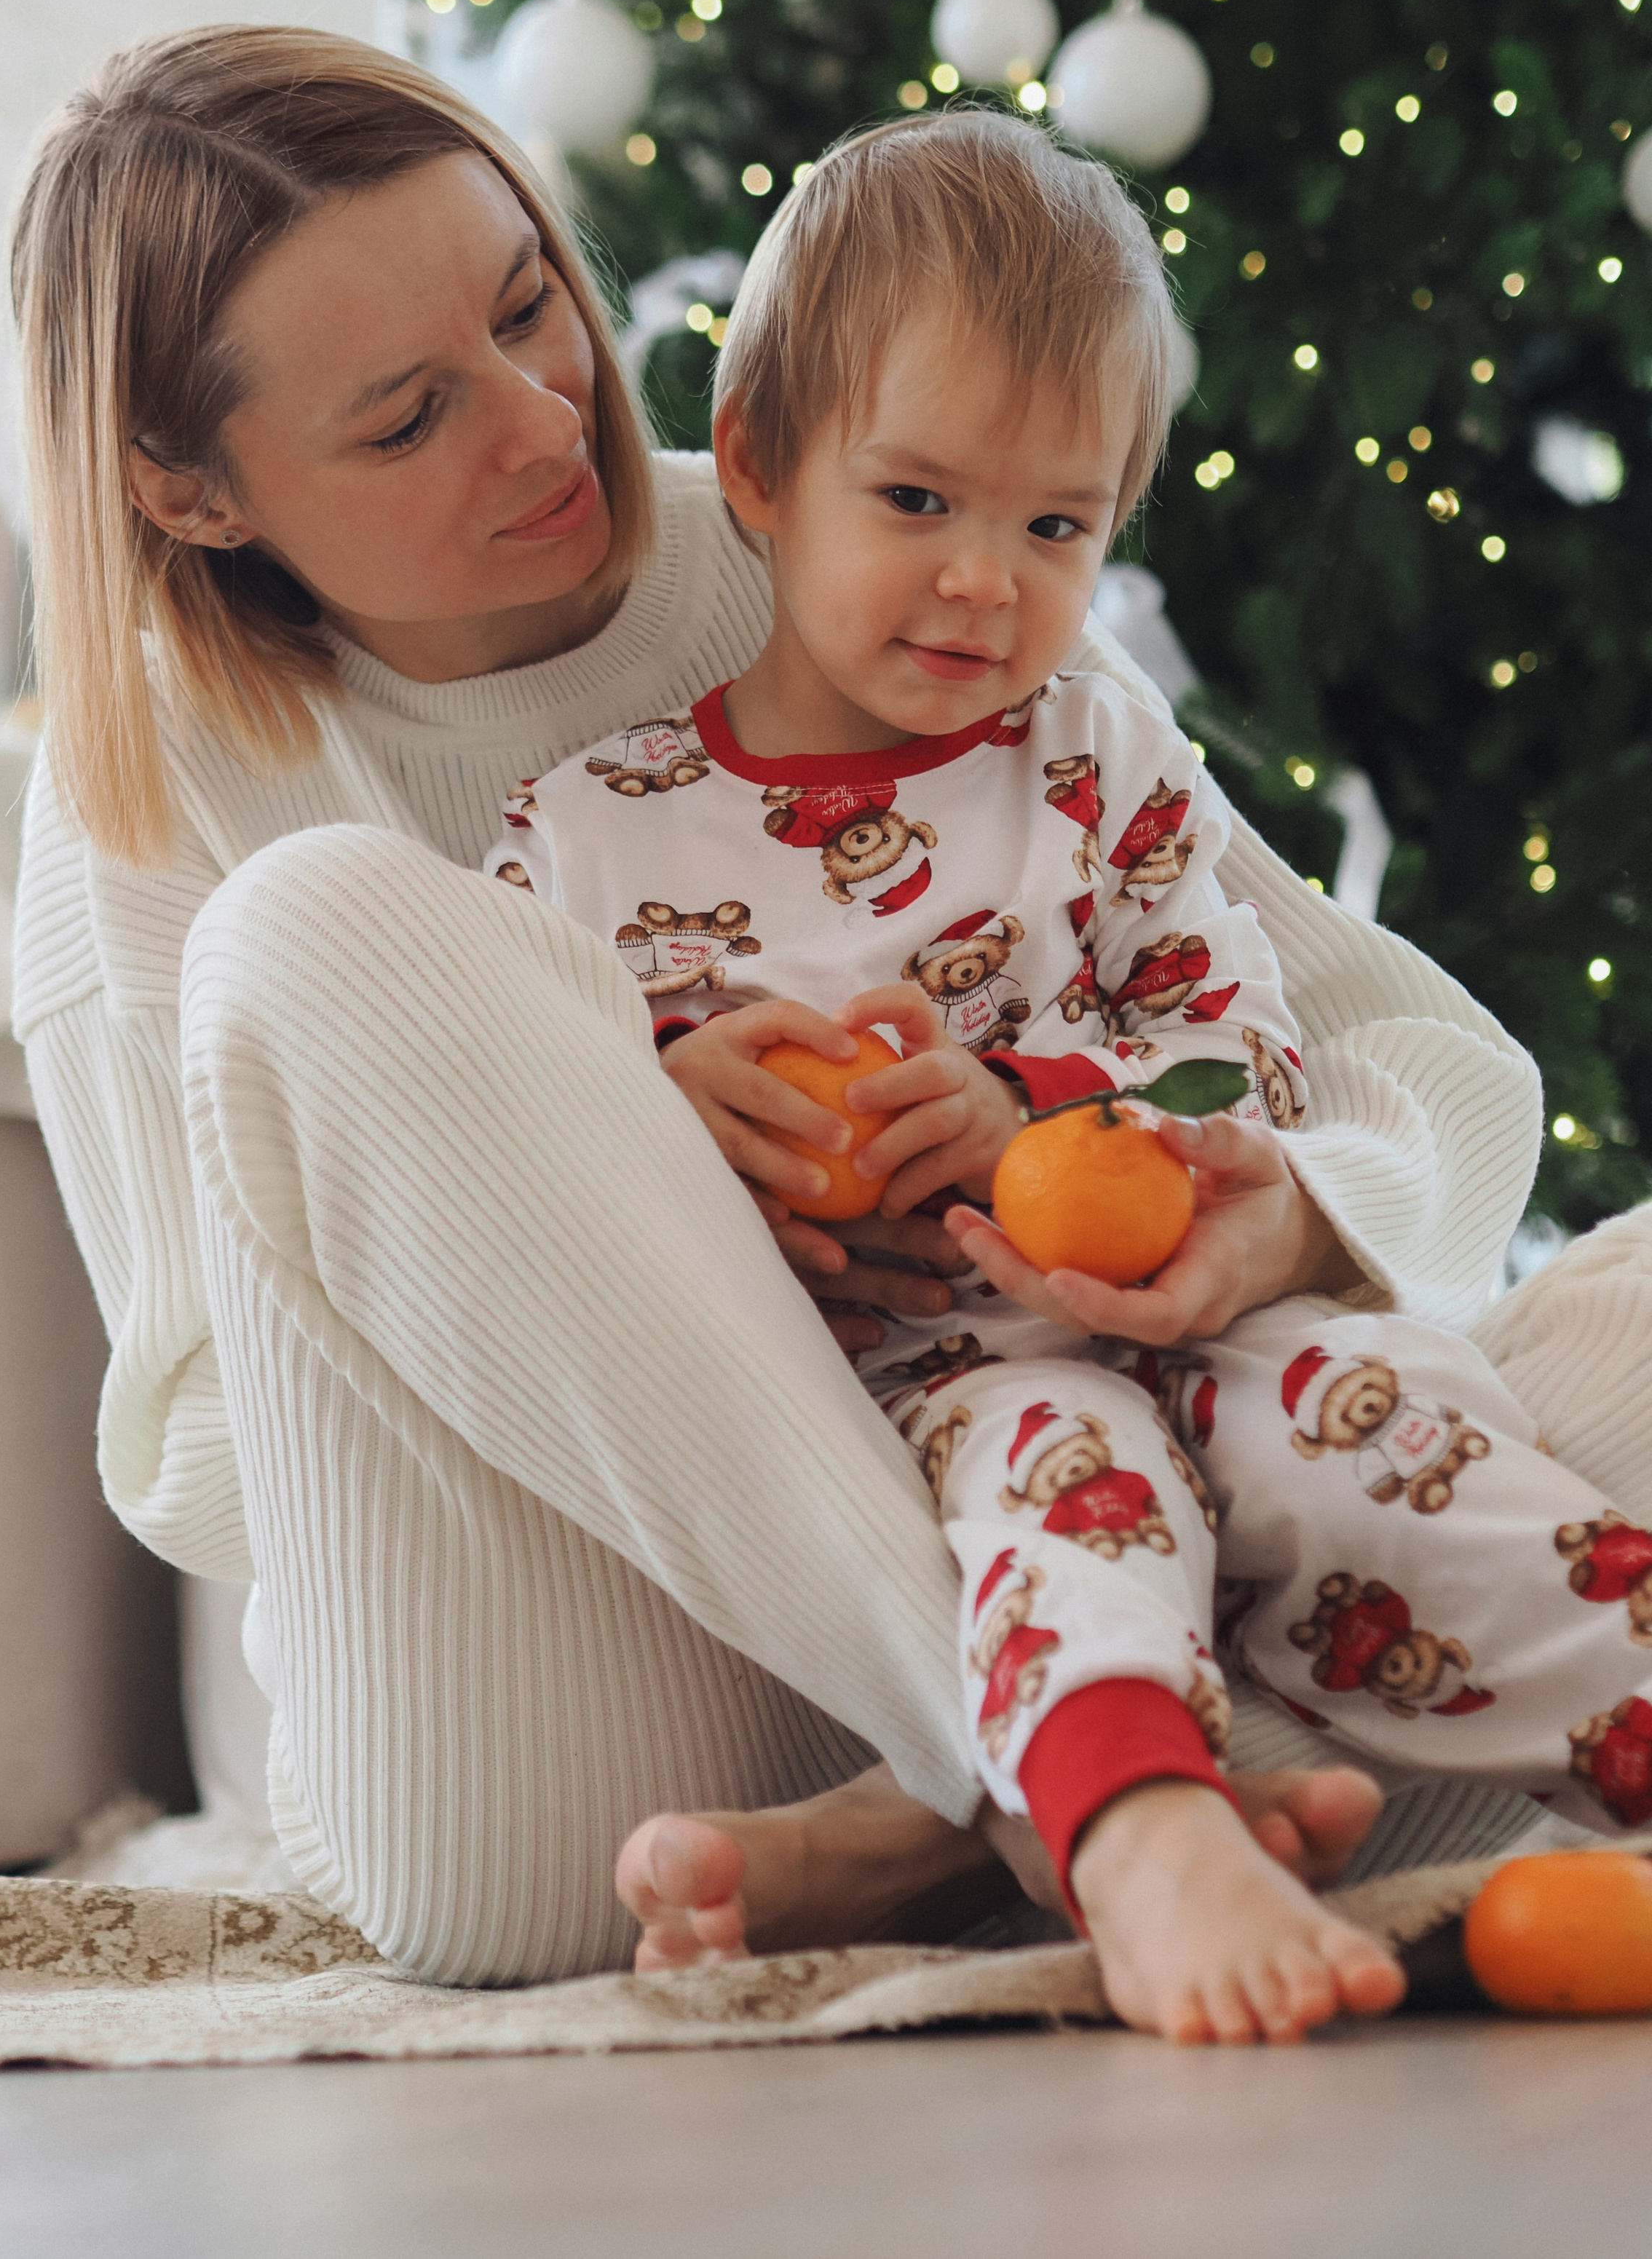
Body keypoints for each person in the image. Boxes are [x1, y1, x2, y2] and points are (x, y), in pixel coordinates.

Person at [9, 24, 1543, 2017]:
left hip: (1083, 1507)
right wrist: (624, 1204)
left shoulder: (882, 532)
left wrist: (1271, 1210)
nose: (543, 424)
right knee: (321, 933)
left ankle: (977, 1798)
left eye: (528, 304)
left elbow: (1430, 1076)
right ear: (187, 490)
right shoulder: (159, 791)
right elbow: (205, 1455)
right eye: (405, 422)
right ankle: (1087, 1789)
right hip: (566, 1727)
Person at [486, 109, 1652, 2044]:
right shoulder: (597, 836)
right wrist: (699, 1114)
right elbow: (524, 1157)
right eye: (920, 499)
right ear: (762, 465)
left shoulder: (1099, 760)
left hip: (1207, 1320)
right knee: (1067, 1476)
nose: (982, 586)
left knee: (1395, 1443)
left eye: (1056, 526)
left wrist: (1036, 1105)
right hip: (939, 1378)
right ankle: (1142, 1841)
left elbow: (1249, 1053)